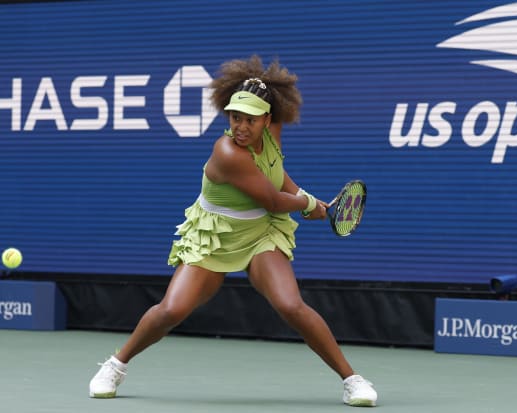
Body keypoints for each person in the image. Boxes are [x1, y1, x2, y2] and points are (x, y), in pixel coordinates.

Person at [88, 55, 378, 407]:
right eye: (235, 117)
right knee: (171, 310)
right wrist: (306, 206)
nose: (240, 126)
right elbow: (272, 199)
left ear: (267, 120)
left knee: (290, 304)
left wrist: (304, 196)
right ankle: (116, 366)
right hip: (215, 236)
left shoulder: (272, 134)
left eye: (250, 120)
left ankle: (352, 380)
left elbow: (277, 175)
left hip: (260, 234)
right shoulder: (228, 153)